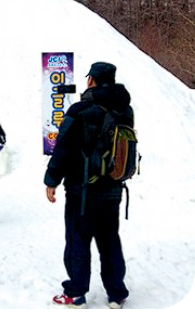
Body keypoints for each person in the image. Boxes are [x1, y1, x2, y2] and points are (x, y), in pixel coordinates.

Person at [44, 62, 132, 309]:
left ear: (91, 80)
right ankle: (116, 293)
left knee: (78, 240)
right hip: (113, 188)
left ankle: (76, 293)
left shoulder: (80, 110)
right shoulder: (125, 111)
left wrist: (51, 179)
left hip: (81, 190)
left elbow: (63, 147)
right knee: (109, 240)